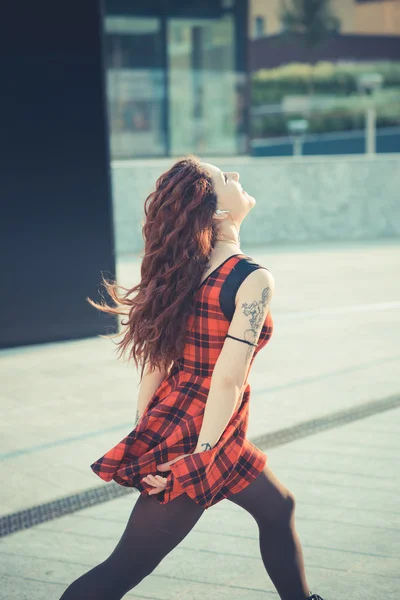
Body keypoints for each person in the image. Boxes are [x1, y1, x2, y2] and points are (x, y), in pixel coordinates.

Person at [59, 155, 325, 600]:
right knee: (121, 570)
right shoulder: (251, 278)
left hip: (206, 428)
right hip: (203, 435)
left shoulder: (180, 269)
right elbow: (228, 380)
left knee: (278, 509)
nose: (235, 177)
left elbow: (156, 364)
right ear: (217, 212)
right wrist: (198, 456)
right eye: (225, 178)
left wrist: (147, 427)